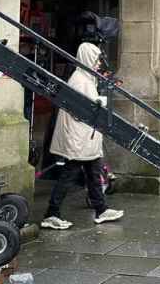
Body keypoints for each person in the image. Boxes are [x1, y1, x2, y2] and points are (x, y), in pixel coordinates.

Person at [41, 42, 124, 230]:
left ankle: (101, 209)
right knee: (69, 175)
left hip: (86, 137)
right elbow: (79, 110)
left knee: (94, 173)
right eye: (96, 60)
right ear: (87, 59)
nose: (98, 64)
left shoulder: (85, 78)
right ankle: (51, 213)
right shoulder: (80, 80)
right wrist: (99, 103)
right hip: (79, 138)